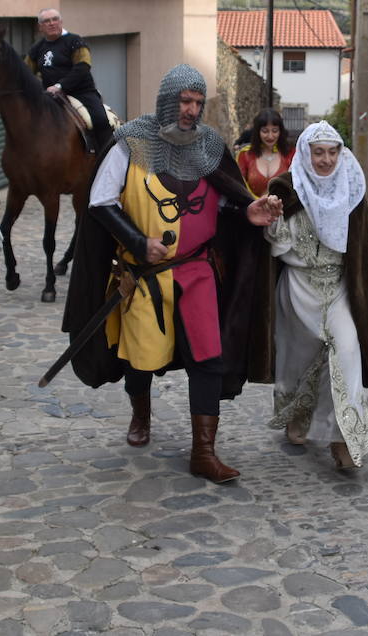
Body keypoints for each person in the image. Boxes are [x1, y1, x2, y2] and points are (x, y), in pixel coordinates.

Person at [60, 64, 282, 484]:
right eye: (185, 101)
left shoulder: (211, 147)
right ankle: (140, 415)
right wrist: (138, 241)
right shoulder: (131, 144)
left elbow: (230, 201)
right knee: (141, 356)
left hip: (198, 271)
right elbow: (100, 201)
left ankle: (204, 452)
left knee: (208, 357)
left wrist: (248, 208)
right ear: (167, 101)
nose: (192, 110)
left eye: (198, 102)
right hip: (145, 275)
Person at [264, 121, 368, 472]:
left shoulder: (352, 187)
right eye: (319, 153)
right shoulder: (286, 188)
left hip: (340, 288)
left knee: (346, 350)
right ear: (306, 153)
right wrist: (273, 219)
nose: (327, 160)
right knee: (298, 360)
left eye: (333, 152)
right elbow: (276, 244)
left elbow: (365, 239)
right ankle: (297, 415)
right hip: (299, 289)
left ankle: (342, 438)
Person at [24, 8, 113, 153]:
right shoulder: (37, 48)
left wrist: (60, 86)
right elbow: (26, 72)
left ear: (61, 22)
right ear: (40, 27)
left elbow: (83, 66)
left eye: (55, 19)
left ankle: (107, 155)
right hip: (50, 96)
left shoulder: (75, 41)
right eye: (46, 21)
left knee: (100, 119)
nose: (51, 23)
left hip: (82, 92)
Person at [235, 108, 295, 197]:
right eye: (265, 131)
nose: (270, 136)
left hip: (286, 209)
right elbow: (238, 187)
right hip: (252, 208)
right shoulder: (245, 155)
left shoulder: (291, 154)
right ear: (257, 132)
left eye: (275, 131)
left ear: (280, 131)